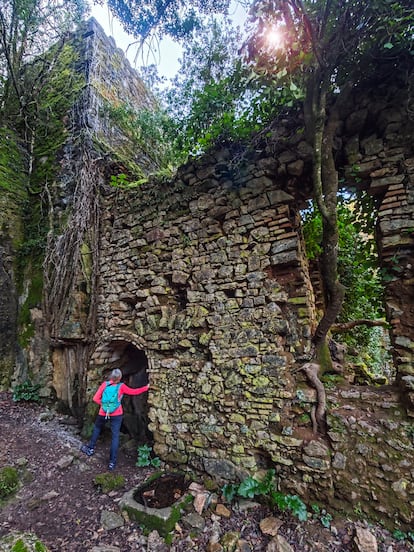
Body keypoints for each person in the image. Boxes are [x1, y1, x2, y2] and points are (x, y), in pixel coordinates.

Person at [80, 368, 149, 471]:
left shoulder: (105, 385)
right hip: (116, 413)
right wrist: (146, 387)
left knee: (97, 429)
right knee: (115, 436)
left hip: (103, 412)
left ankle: (90, 449)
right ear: (120, 378)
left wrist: (104, 405)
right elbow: (134, 392)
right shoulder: (122, 387)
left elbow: (95, 399)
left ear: (111, 377)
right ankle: (112, 462)